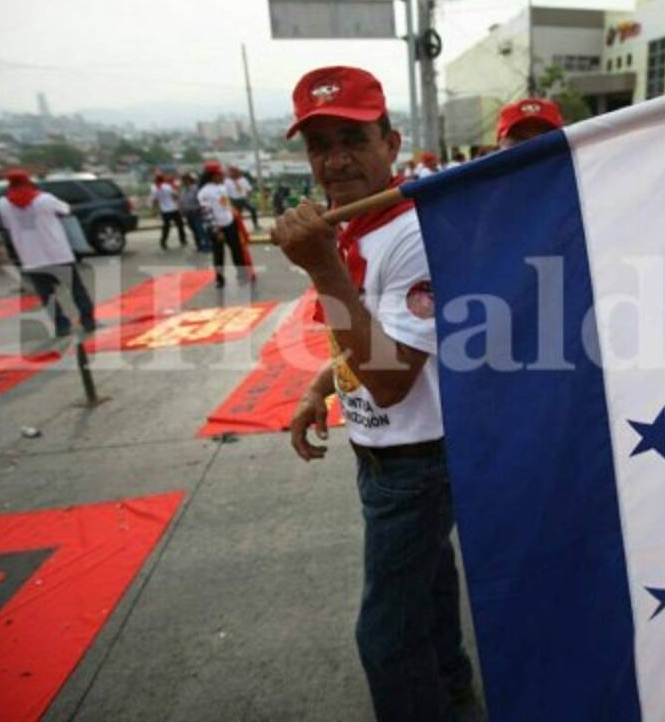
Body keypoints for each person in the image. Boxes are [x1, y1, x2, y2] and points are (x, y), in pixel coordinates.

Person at [273, 65, 476, 721]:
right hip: (385, 454)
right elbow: (360, 338)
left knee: (385, 637)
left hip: (415, 461)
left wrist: (322, 266)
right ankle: (453, 687)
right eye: (319, 143)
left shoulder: (414, 235)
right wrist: (317, 388)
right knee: (431, 587)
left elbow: (389, 380)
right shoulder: (356, 225)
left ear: (391, 143)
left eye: (353, 139)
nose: (335, 160)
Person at [0, 169, 96, 336]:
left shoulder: (3, 203)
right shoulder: (44, 199)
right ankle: (88, 320)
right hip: (58, 253)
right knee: (76, 289)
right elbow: (66, 210)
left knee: (47, 294)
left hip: (31, 257)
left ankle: (61, 325)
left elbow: (6, 225)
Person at [197, 162, 250, 287]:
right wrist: (216, 231)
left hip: (230, 223)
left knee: (237, 251)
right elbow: (207, 214)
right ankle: (220, 280)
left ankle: (242, 276)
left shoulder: (222, 187)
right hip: (217, 227)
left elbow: (226, 205)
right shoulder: (204, 192)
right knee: (219, 255)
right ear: (212, 176)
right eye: (220, 174)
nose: (222, 176)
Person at [496, 96, 564, 149]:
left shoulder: (572, 165)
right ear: (500, 143)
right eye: (518, 141)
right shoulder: (489, 166)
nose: (532, 147)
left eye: (545, 139)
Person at [150, 172, 187, 249]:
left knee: (166, 227)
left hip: (165, 211)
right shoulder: (167, 186)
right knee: (180, 225)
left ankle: (163, 242)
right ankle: (182, 240)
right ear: (163, 179)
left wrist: (153, 211)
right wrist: (179, 204)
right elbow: (175, 196)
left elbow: (154, 201)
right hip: (173, 209)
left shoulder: (154, 188)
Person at [179, 172, 210, 252]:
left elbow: (202, 200)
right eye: (183, 180)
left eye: (186, 180)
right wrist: (181, 210)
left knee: (200, 230)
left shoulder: (196, 189)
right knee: (194, 230)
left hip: (196, 212)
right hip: (188, 214)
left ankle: (207, 246)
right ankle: (199, 246)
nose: (184, 182)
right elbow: (182, 201)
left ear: (190, 180)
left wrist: (202, 209)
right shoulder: (183, 190)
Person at [226, 166, 260, 231]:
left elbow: (249, 189)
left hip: (243, 199)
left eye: (235, 171)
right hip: (234, 200)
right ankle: (237, 229)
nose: (234, 173)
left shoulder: (243, 180)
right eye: (232, 172)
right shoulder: (227, 181)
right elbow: (225, 192)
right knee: (236, 215)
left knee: (253, 209)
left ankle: (256, 225)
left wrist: (247, 196)